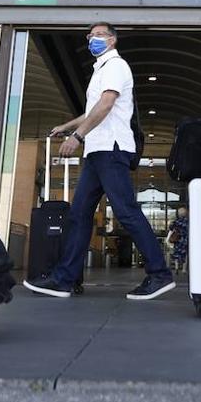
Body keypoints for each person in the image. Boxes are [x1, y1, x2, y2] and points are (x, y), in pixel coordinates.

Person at [24, 22, 176, 301]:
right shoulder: (101, 70)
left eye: (98, 35)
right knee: (79, 215)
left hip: (111, 148)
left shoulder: (116, 66)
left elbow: (106, 105)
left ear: (112, 41)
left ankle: (159, 274)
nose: (91, 38)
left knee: (125, 210)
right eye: (89, 35)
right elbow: (93, 110)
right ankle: (64, 280)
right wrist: (66, 126)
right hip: (97, 151)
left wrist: (77, 137)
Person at [167, 206, 188, 273]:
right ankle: (184, 269)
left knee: (177, 253)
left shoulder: (176, 221)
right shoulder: (188, 222)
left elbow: (171, 229)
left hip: (177, 239)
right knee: (185, 254)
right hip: (185, 239)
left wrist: (168, 238)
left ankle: (176, 267)